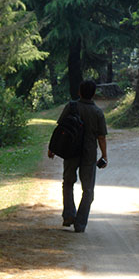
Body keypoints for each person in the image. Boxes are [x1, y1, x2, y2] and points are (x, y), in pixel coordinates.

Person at [48, 79, 108, 233]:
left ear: (79, 92)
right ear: (94, 94)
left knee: (68, 182)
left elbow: (60, 128)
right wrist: (104, 155)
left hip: (70, 151)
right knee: (88, 190)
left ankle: (69, 214)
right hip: (89, 153)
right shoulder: (97, 113)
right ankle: (80, 224)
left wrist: (52, 148)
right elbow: (101, 137)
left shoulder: (71, 106)